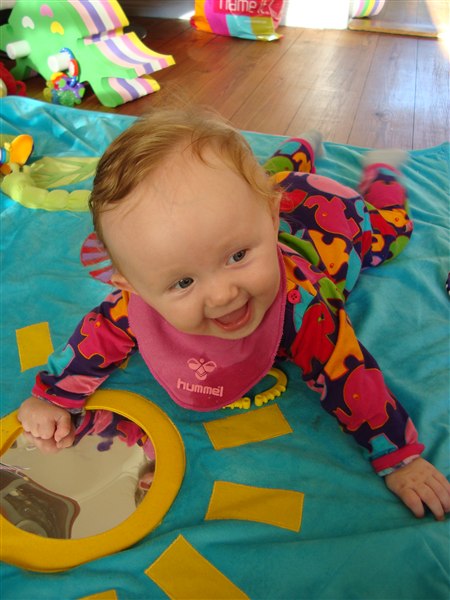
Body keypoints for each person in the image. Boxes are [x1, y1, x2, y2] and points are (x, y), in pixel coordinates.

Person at [17, 106, 450, 521]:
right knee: (269, 176)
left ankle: (380, 172)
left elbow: (350, 376)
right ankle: (300, 147)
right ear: (131, 287)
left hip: (337, 220)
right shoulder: (134, 304)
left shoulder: (307, 307)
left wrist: (399, 458)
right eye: (183, 282)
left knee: (393, 230)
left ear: (271, 218)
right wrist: (54, 395)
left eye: (238, 255)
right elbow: (97, 336)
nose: (225, 295)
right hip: (269, 194)